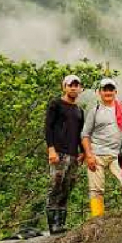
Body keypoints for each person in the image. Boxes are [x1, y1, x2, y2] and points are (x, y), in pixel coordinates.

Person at [81, 78, 122, 218]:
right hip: (97, 154)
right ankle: (97, 219)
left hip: (118, 155)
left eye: (110, 89)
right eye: (105, 89)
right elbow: (85, 135)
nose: (108, 92)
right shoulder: (95, 110)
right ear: (99, 92)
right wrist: (88, 155)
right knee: (96, 189)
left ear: (115, 91)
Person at [44, 74, 85, 234]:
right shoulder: (56, 104)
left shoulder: (79, 110)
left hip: (74, 154)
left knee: (67, 187)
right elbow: (48, 127)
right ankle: (52, 224)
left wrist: (83, 152)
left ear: (80, 89)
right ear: (64, 87)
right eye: (70, 85)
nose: (73, 88)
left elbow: (81, 133)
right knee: (55, 185)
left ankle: (61, 223)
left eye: (76, 85)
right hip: (58, 152)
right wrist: (51, 149)